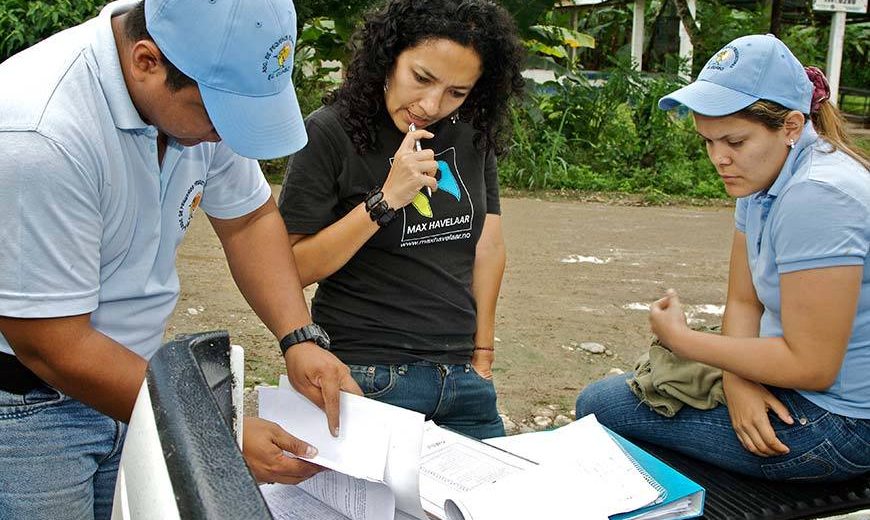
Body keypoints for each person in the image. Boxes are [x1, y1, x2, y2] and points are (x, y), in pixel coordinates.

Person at [0, 0, 362, 517]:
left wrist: (298, 336)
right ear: (146, 61)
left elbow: (248, 219)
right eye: (219, 114)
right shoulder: (40, 134)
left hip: (136, 381)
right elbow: (50, 344)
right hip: (28, 407)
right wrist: (212, 432)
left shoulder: (199, 90)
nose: (226, 133)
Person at [576, 34, 870, 482]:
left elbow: (813, 365)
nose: (719, 159)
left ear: (790, 126)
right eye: (708, 142)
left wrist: (684, 341)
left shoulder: (818, 195)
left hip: (843, 424)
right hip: (791, 384)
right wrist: (737, 383)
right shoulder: (763, 174)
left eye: (733, 141)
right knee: (612, 401)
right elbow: (744, 301)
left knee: (600, 409)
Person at [278, 0, 525, 439]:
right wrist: (386, 199)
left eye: (457, 92)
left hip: (464, 382)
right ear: (389, 57)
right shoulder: (329, 133)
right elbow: (289, 268)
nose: (432, 105)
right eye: (422, 78)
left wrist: (482, 355)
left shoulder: (471, 133)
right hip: (370, 376)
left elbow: (489, 246)